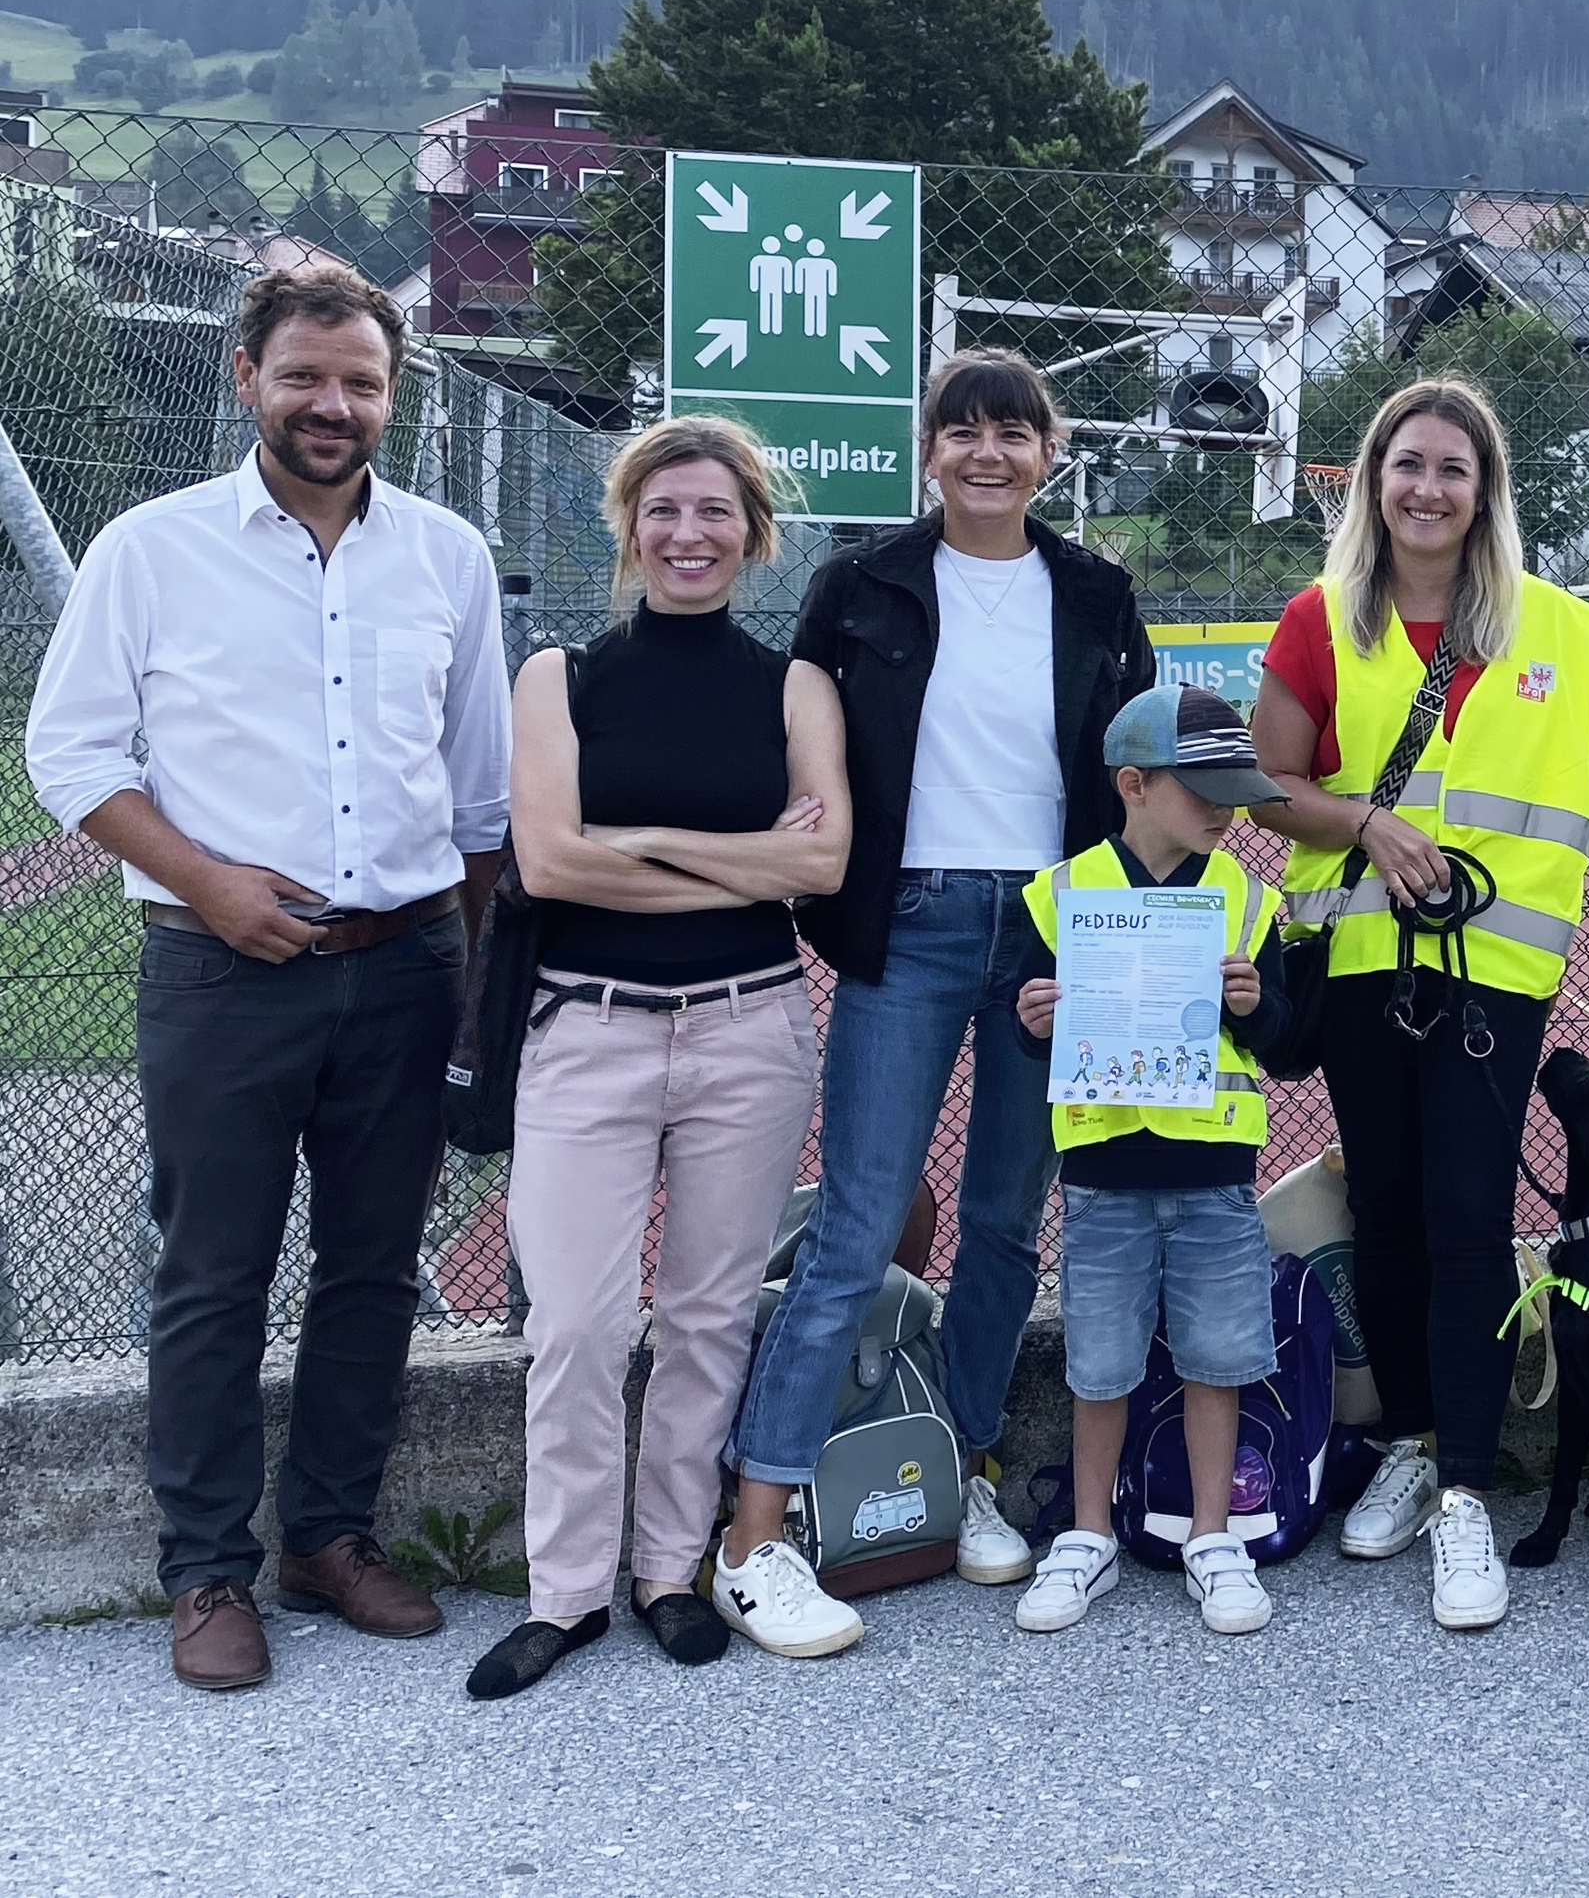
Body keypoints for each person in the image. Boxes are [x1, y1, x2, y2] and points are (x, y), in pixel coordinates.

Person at [26, 263, 508, 1694]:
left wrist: (472, 980)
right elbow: (72, 756)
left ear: (391, 394)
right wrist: (211, 885)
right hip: (218, 968)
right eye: (305, 376)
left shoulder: (448, 558)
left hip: (406, 964)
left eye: (360, 382)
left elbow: (479, 799)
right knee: (212, 1276)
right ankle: (206, 1571)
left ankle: (331, 1539)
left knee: (373, 1270)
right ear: (247, 378)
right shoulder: (151, 549)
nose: (332, 405)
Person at [714, 349, 1155, 1655]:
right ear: (929, 450)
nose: (985, 454)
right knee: (857, 1226)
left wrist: (1131, 921)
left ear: (1047, 451)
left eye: (1011, 434)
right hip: (905, 920)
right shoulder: (863, 584)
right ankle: (756, 1530)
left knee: (1008, 1220)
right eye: (960, 432)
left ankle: (955, 1467)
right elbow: (807, 745)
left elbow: (1133, 769)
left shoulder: (1095, 589)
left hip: (1045, 927)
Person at [464, 420, 852, 1700]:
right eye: (666, 511)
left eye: (717, 513)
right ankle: (565, 1592)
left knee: (702, 1316)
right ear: (629, 526)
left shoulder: (794, 686)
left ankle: (667, 1569)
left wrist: (634, 841)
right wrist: (737, 854)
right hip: (588, 1028)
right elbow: (553, 863)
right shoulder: (557, 677)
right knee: (577, 1320)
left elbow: (822, 867)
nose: (690, 535)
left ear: (754, 532)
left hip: (749, 1028)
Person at [1251, 374, 1589, 1630]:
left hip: (1496, 975)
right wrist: (1367, 820)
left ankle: (1463, 1493)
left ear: (1484, 489)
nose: (1427, 487)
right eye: (1407, 463)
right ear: (1373, 477)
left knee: (1467, 1212)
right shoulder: (1317, 619)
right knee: (1389, 1212)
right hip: (1357, 962)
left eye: (1453, 468)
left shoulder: (1563, 629)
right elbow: (1263, 783)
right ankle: (1407, 1439)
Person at [1007, 685, 1301, 1639]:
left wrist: (1257, 1006)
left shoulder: (1250, 901)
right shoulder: (1061, 895)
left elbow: (1293, 1043)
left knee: (1219, 1359)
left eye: (1237, 787)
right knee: (1100, 1363)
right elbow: (1026, 1030)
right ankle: (1088, 1533)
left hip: (1215, 1174)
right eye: (1204, 787)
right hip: (1102, 1176)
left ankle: (1212, 1537)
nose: (1227, 808)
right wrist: (1032, 1021)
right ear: (1132, 785)